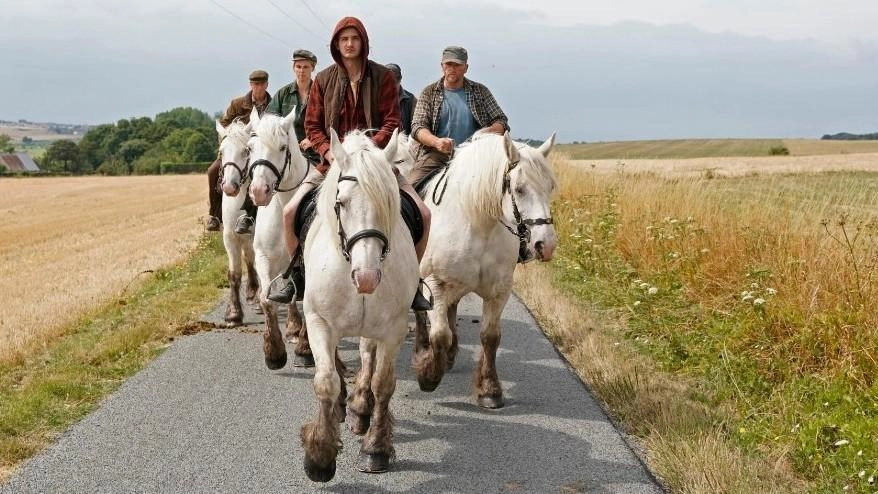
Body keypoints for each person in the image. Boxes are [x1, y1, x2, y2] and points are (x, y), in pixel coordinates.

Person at [270, 16, 432, 311]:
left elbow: (393, 121)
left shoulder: (382, 77)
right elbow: (313, 126)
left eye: (354, 39)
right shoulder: (324, 79)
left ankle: (415, 283)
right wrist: (329, 152)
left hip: (376, 164)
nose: (349, 44)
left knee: (423, 213)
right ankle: (298, 276)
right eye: (343, 39)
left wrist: (368, 150)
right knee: (290, 211)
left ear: (363, 42)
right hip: (333, 165)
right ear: (336, 44)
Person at [407, 46, 509, 188]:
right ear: (442, 66)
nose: (452, 68)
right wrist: (437, 142)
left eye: (457, 65)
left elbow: (501, 121)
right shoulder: (429, 93)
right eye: (448, 64)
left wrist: (486, 133)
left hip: (476, 155)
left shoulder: (480, 91)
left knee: (505, 187)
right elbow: (418, 127)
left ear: (466, 67)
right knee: (410, 189)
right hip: (438, 155)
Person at [206, 70, 272, 233]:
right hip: (236, 151)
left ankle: (251, 216)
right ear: (250, 85)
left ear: (266, 85)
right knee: (213, 171)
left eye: (261, 84)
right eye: (255, 84)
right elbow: (224, 125)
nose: (258, 87)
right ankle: (215, 215)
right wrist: (232, 143)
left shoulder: (273, 105)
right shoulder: (237, 104)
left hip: (259, 152)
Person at [265, 49, 321, 165]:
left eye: (306, 67)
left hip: (316, 154)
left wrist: (313, 140)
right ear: (293, 68)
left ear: (313, 68)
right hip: (285, 156)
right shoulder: (283, 94)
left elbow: (330, 122)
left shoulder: (322, 93)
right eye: (298, 67)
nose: (301, 71)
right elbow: (268, 121)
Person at [385, 63, 417, 135]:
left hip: (404, 143)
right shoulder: (374, 98)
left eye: (395, 82)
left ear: (400, 79)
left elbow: (416, 126)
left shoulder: (411, 100)